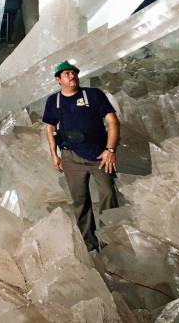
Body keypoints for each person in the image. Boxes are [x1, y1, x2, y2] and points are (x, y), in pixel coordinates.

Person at [42, 61, 119, 251]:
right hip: (71, 157)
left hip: (99, 156)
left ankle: (112, 243)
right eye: (67, 74)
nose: (72, 76)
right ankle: (90, 245)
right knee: (80, 201)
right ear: (58, 80)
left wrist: (110, 151)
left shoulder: (93, 95)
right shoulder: (54, 101)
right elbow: (50, 127)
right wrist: (54, 154)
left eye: (74, 73)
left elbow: (112, 121)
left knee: (109, 194)